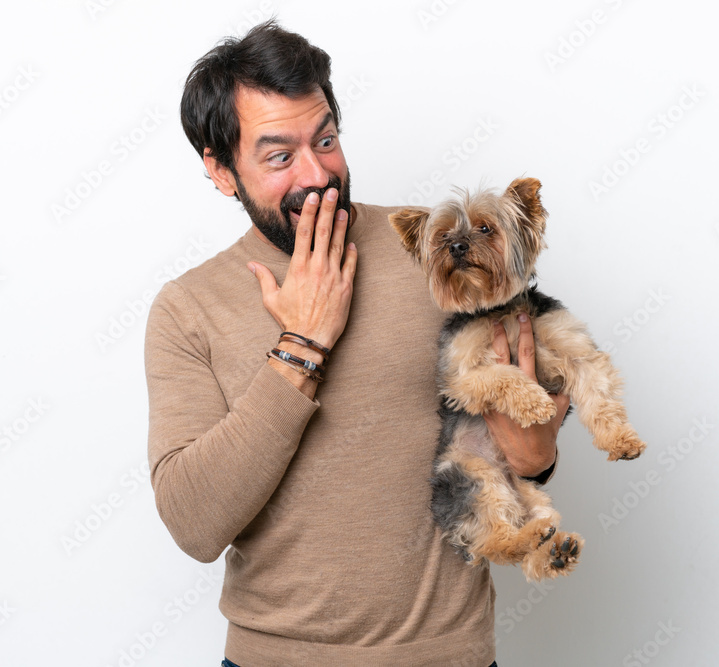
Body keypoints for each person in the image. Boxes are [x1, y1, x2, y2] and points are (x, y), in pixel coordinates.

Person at [145, 19, 570, 667]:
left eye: (326, 140)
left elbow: (524, 427)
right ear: (221, 169)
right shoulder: (187, 309)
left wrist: (538, 452)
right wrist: (301, 345)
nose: (318, 174)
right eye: (280, 155)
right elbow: (195, 525)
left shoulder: (434, 256)